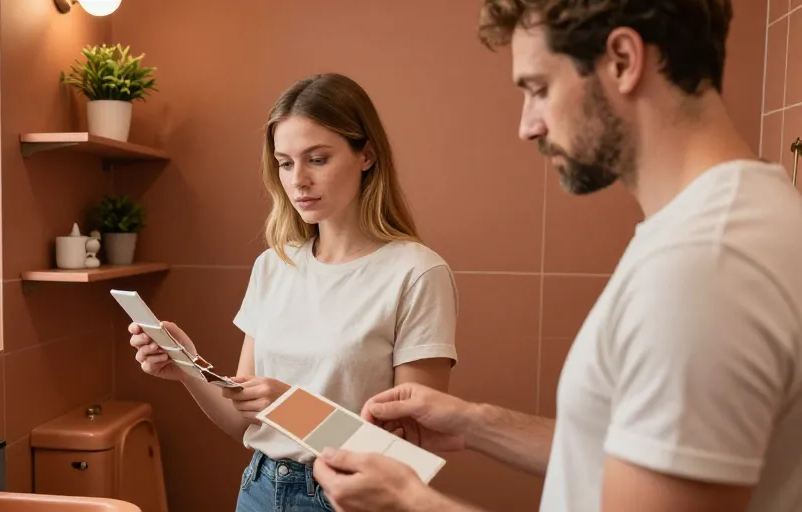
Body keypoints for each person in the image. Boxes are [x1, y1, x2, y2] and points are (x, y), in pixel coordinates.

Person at [312, 1, 802, 511]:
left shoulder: (701, 268)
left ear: (622, 60)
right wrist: (475, 422)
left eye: (539, 89)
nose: (529, 126)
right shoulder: (743, 217)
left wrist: (410, 503)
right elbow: (627, 454)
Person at [127, 73, 459, 511]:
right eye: (285, 163)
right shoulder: (274, 266)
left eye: (317, 159)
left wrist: (293, 408)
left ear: (367, 155)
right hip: (260, 489)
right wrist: (189, 366)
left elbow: (408, 457)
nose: (298, 179)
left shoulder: (416, 273)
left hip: (350, 498)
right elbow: (240, 422)